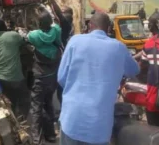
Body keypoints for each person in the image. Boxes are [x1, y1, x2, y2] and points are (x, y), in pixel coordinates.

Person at [58, 13, 139, 145]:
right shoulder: (119, 47)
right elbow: (134, 70)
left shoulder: (75, 41)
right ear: (108, 29)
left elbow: (61, 78)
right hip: (99, 126)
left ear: (90, 25)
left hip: (72, 119)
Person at [21, 6, 62, 145]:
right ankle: (50, 135)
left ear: (38, 24)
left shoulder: (34, 36)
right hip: (53, 76)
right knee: (48, 104)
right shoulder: (56, 31)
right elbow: (57, 27)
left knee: (36, 108)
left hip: (40, 77)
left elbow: (25, 37)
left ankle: (36, 140)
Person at [0, 19, 30, 119]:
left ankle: (13, 120)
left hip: (0, 79)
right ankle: (23, 119)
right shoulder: (13, 35)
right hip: (16, 78)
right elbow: (25, 42)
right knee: (25, 99)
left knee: (9, 101)